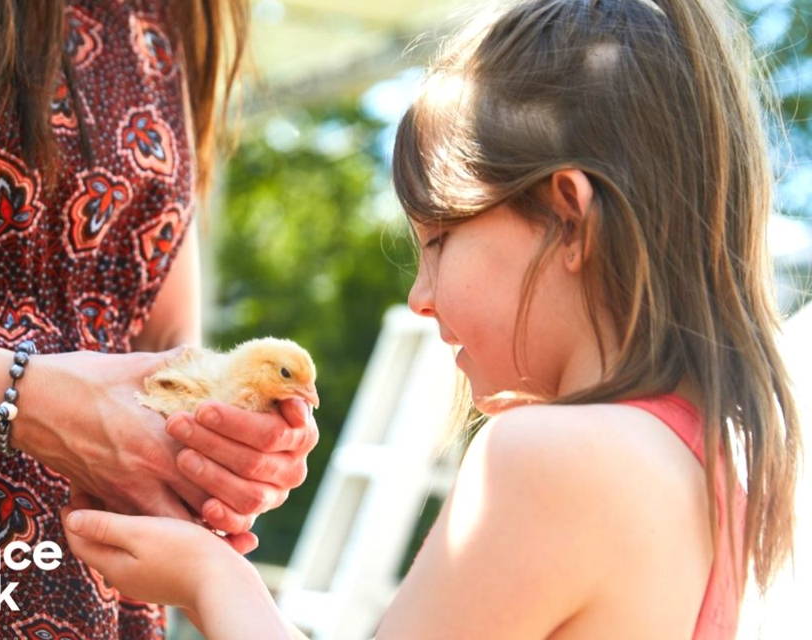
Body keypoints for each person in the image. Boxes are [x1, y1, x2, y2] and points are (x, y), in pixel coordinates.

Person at [58, 0, 803, 637]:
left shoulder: (551, 459)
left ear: (568, 217)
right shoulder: (711, 468)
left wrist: (210, 577)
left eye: (439, 241)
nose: (420, 295)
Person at [0, 1, 319, 638]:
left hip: (85, 590)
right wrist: (19, 399)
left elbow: (163, 340)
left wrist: (224, 455)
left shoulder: (172, 17)